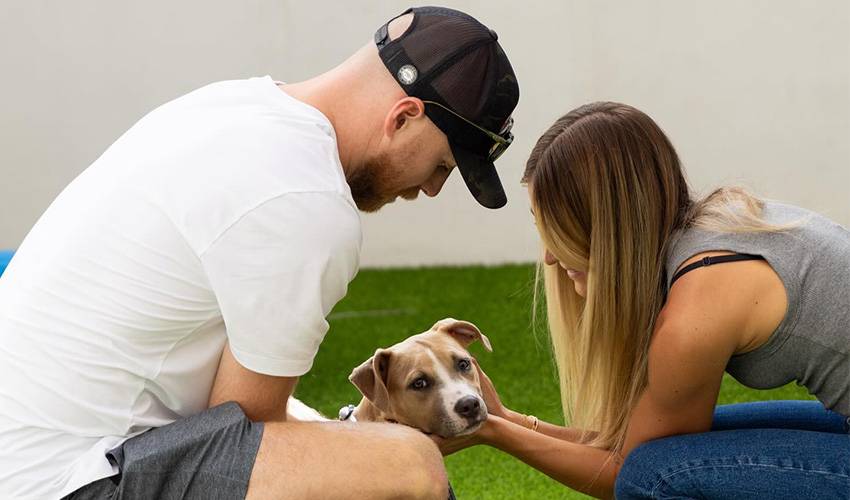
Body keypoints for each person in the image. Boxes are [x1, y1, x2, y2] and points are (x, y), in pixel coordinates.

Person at [0, 7, 518, 499]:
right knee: (407, 463)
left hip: (34, 454)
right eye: (443, 166)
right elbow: (240, 429)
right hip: (71, 482)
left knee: (333, 434)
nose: (430, 189)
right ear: (403, 117)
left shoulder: (231, 105)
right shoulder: (306, 199)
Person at [434, 102, 850, 499]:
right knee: (661, 454)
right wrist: (507, 420)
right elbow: (629, 442)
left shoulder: (697, 310)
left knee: (654, 474)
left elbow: (624, 474)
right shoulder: (707, 235)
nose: (549, 256)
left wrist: (491, 431)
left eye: (559, 229)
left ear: (608, 226)